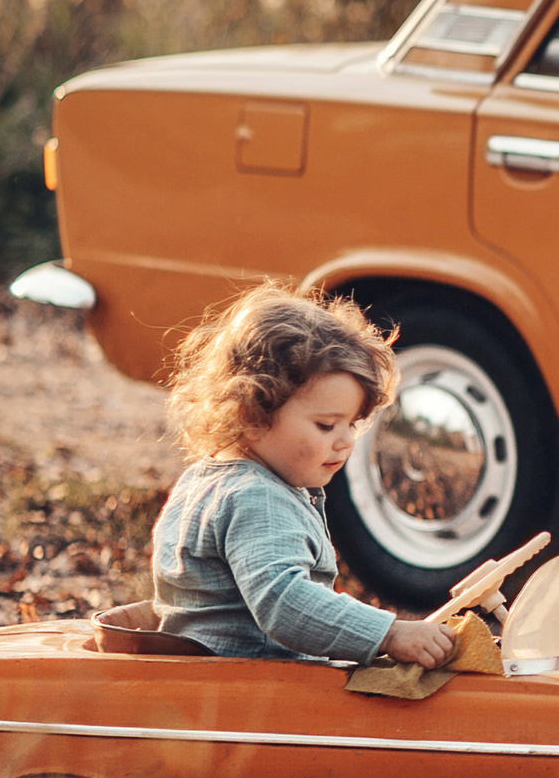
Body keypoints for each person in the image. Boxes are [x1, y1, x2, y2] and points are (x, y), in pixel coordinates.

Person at [153, 282, 453, 671]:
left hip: (209, 680)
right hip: (254, 695)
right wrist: (389, 634)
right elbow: (284, 602)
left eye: (352, 424)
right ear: (252, 414)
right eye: (327, 425)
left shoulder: (203, 480)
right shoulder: (255, 497)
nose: (345, 442)